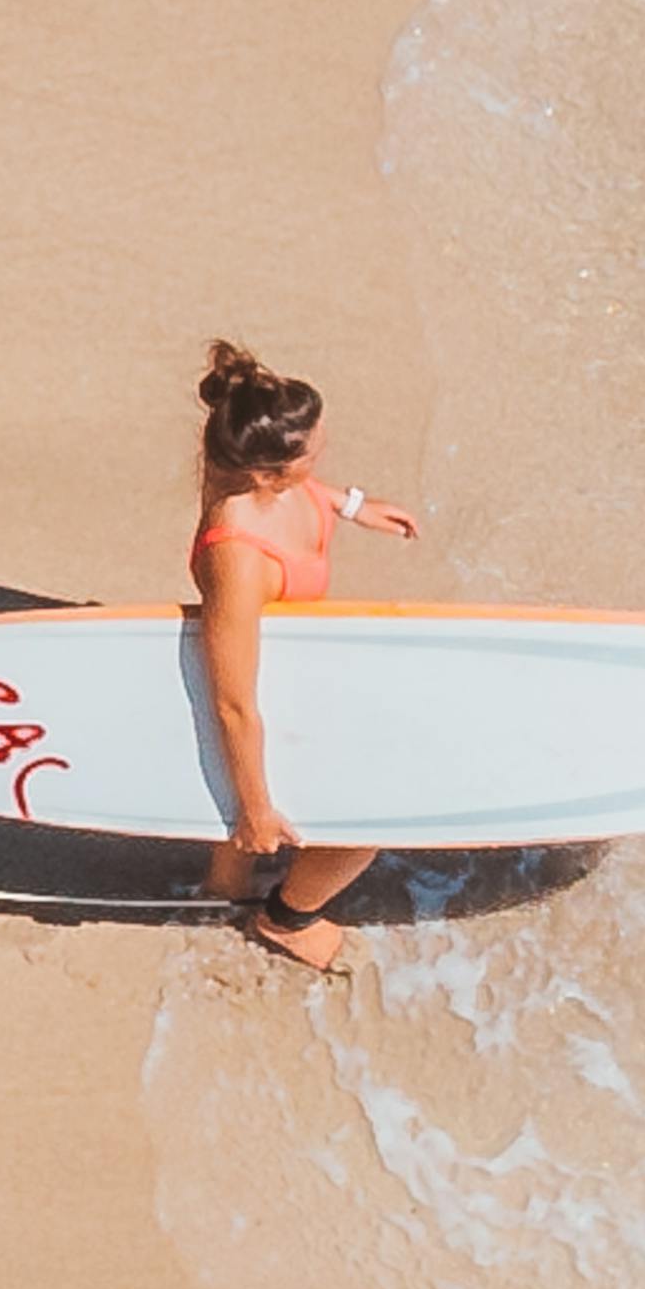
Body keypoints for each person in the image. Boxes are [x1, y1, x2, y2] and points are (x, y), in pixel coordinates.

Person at [184, 338, 418, 972]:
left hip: (290, 660)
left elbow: (306, 483)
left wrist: (354, 506)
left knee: (236, 851)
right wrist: (257, 809)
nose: (322, 456)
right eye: (312, 452)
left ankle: (221, 895)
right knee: (371, 822)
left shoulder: (261, 467)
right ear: (268, 473)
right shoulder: (239, 557)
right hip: (258, 691)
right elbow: (233, 703)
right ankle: (286, 918)